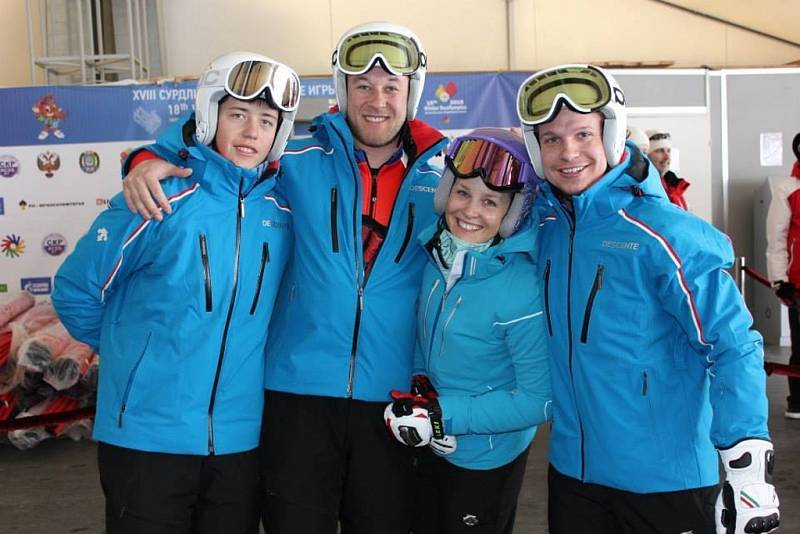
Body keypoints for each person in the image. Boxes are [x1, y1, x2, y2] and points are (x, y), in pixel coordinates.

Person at [118, 22, 448, 534]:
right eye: (362, 85)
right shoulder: (292, 156)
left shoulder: (445, 175)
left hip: (392, 398)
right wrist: (150, 158)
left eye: (391, 87)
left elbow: (545, 187)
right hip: (295, 399)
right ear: (343, 90)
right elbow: (218, 153)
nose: (376, 100)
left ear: (411, 92)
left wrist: (624, 162)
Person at [516, 64, 779, 534]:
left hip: (665, 483)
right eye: (551, 139)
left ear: (611, 136)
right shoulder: (545, 225)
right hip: (574, 476)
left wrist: (747, 465)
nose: (568, 152)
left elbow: (733, 344)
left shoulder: (666, 234)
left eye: (582, 134)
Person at [51, 51, 300, 533]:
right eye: (238, 115)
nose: (251, 132)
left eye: (267, 121)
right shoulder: (159, 193)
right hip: (147, 438)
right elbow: (75, 290)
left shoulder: (283, 211)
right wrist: (134, 355)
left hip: (237, 443)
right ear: (209, 116)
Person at [383, 128, 552, 533]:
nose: (470, 211)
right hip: (431, 446)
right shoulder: (436, 259)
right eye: (461, 193)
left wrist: (446, 416)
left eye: (490, 201)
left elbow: (539, 401)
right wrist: (422, 392)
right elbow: (425, 341)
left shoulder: (521, 289)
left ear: (512, 214)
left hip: (485, 460)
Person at [765, 131, 800, 420]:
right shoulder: (787, 189)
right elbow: (776, 238)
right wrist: (779, 280)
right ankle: (797, 401)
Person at [646, 128, 691, 210]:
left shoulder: (673, 185)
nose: (667, 157)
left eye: (669, 151)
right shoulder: (641, 189)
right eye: (659, 151)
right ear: (645, 155)